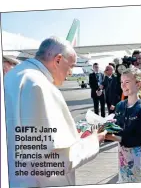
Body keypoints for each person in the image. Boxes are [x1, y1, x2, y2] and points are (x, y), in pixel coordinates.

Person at [4, 37, 107, 187]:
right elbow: (52, 162)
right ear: (58, 60)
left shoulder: (14, 76)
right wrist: (93, 141)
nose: (71, 73)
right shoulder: (39, 86)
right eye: (71, 66)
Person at [105, 67, 141, 183]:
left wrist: (112, 137)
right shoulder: (119, 105)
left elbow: (137, 140)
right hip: (122, 154)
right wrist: (104, 127)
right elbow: (118, 128)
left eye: (127, 82)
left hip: (134, 156)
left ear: (138, 84)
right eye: (121, 82)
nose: (123, 86)